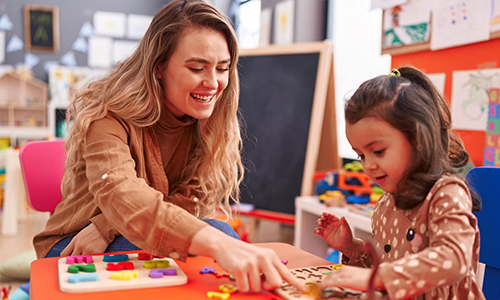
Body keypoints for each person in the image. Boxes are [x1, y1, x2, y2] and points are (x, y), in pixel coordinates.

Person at [33, 0, 304, 293]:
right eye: (197, 67)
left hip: (124, 232)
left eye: (222, 68)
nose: (213, 83)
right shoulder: (107, 116)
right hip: (73, 244)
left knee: (216, 239)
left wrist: (106, 226)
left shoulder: (207, 122)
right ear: (159, 66)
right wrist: (218, 243)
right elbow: (121, 194)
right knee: (215, 235)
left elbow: (187, 199)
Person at [314, 67, 485, 300]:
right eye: (361, 156)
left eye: (378, 151)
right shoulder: (386, 203)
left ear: (418, 140)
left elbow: (453, 259)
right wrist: (352, 248)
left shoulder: (447, 194)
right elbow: (392, 270)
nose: (369, 165)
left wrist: (375, 278)